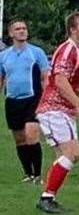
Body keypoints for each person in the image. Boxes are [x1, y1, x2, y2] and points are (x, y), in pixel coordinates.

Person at [35, 12, 79, 214]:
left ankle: (48, 197)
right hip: (54, 109)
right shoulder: (69, 50)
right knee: (72, 153)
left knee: (65, 156)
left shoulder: (76, 51)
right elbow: (60, 80)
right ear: (72, 29)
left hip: (59, 110)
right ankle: (46, 197)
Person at [0, 21, 49, 183]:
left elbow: (45, 78)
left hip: (33, 100)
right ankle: (28, 173)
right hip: (12, 102)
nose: (22, 31)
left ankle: (38, 175)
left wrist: (46, 100)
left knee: (31, 135)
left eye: (24, 28)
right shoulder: (3, 56)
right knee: (20, 139)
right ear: (11, 34)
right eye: (18, 29)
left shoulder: (37, 53)